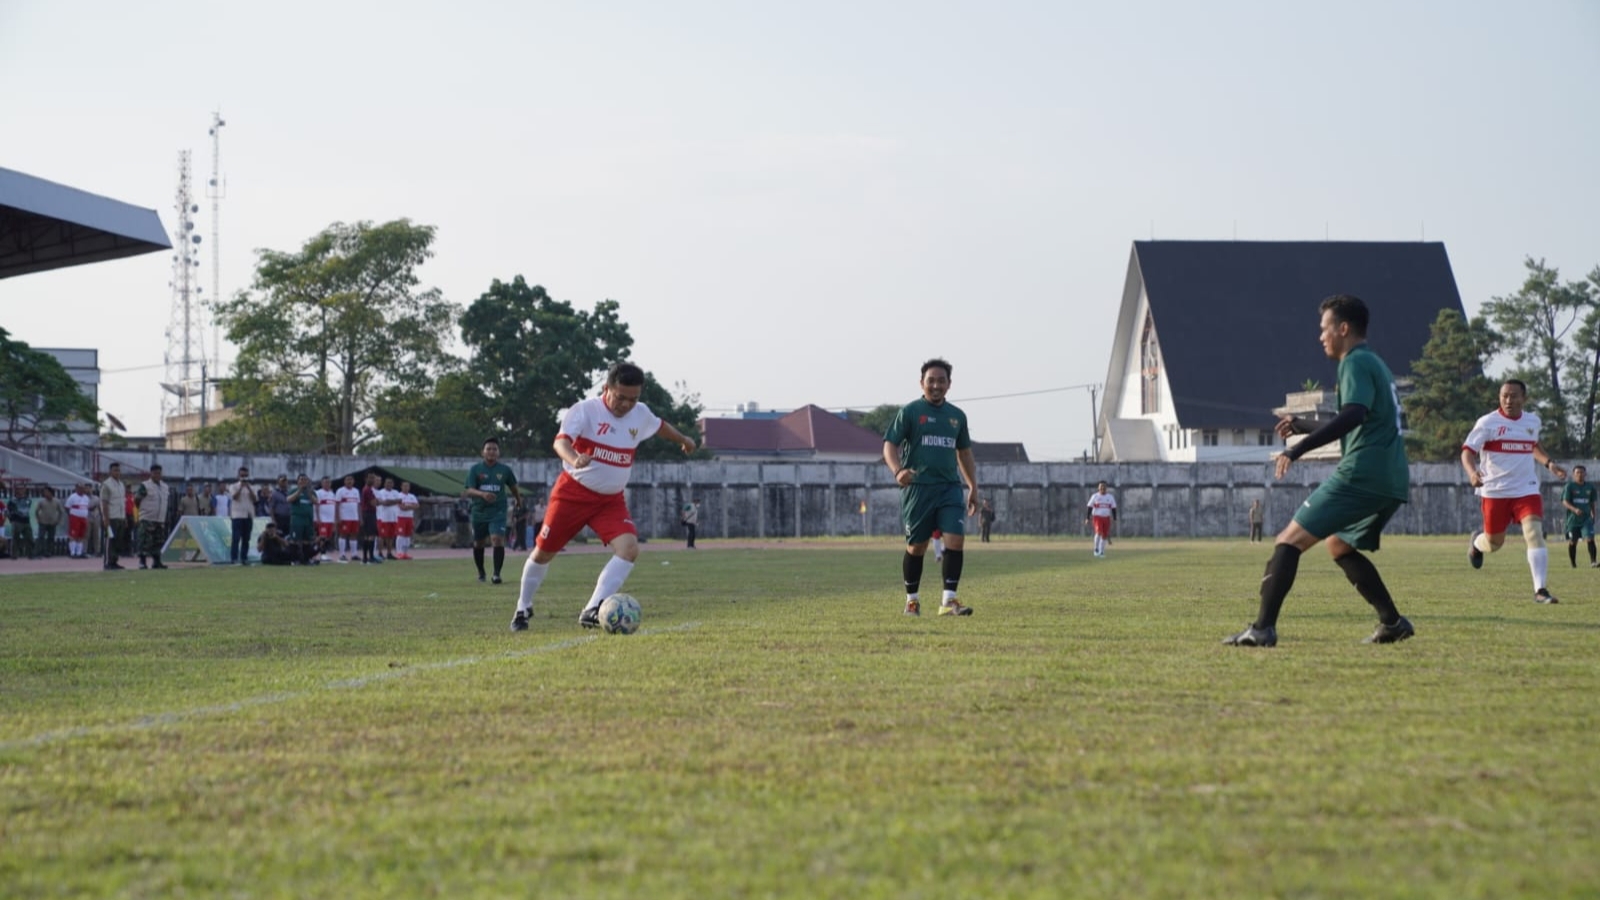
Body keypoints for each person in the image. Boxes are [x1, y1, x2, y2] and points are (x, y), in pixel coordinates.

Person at [1224, 294, 1415, 647]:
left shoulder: (1354, 362)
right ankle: (1392, 623)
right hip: (1390, 477)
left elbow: (1354, 416)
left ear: (1343, 328)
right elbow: (1359, 418)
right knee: (1339, 545)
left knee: (1288, 541)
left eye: (1325, 328)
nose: (1321, 336)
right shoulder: (1375, 363)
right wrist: (1304, 425)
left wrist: (1298, 449)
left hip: (1362, 473)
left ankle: (1262, 629)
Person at [510, 362, 697, 631]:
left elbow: (660, 426)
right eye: (621, 397)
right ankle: (522, 607)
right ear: (606, 388)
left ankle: (592, 608)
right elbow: (560, 442)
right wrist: (574, 458)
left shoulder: (640, 413)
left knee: (629, 549)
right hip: (572, 495)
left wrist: (684, 439)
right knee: (543, 553)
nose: (626, 405)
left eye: (633, 399)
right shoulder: (585, 411)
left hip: (610, 501)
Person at [882, 357, 979, 618]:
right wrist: (898, 471)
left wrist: (972, 486)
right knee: (917, 547)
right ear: (922, 383)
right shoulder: (911, 412)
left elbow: (965, 453)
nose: (936, 385)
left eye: (941, 381)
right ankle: (912, 601)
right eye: (931, 381)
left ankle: (949, 601)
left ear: (949, 385)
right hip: (918, 489)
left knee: (955, 540)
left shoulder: (957, 417)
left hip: (949, 488)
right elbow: (889, 445)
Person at [1463, 379, 1567, 604]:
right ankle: (1476, 544)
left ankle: (1540, 590)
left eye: (1514, 396)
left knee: (1533, 533)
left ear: (1524, 398)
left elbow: (1532, 445)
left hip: (1525, 489)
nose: (1508, 400)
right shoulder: (1488, 422)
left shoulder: (1532, 421)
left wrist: (1549, 463)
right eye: (1504, 396)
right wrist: (1472, 473)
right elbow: (1467, 452)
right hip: (1495, 491)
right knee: (1494, 543)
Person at [466, 438, 521, 584]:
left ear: (499, 452)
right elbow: (469, 490)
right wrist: (482, 494)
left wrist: (518, 500)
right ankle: (481, 572)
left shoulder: (505, 470)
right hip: (479, 511)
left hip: (498, 511)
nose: (491, 451)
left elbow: (513, 487)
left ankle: (496, 574)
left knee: (497, 539)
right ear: (483, 452)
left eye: (494, 449)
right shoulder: (475, 470)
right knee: (478, 543)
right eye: (488, 449)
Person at [134, 464, 172, 570]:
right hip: (147, 518)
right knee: (144, 541)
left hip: (159, 519)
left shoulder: (165, 486)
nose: (157, 475)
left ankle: (157, 561)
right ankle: (142, 562)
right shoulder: (145, 485)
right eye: (155, 473)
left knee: (158, 541)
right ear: (151, 473)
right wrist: (143, 511)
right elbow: (137, 500)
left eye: (159, 473)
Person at [1560, 465, 1597, 568]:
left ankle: (1593, 562)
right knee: (1573, 541)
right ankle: (1573, 564)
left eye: (1582, 472)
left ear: (1585, 474)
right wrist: (1574, 509)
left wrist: (1593, 514)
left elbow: (1592, 502)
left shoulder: (1590, 487)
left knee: (1590, 538)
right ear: (1574, 475)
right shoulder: (1569, 486)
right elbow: (1564, 501)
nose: (1580, 475)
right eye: (1577, 473)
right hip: (1573, 520)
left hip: (1586, 519)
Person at [99, 462, 128, 571]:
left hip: (120, 516)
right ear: (110, 472)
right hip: (111, 517)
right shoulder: (106, 485)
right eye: (115, 470)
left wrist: (124, 517)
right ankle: (107, 563)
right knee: (110, 541)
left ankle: (114, 561)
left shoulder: (121, 484)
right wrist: (106, 518)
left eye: (119, 470)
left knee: (118, 541)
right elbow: (104, 502)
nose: (117, 472)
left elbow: (122, 502)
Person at [287, 473, 319, 565]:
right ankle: (294, 559)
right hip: (297, 519)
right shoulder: (293, 490)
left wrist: (308, 492)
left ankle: (306, 559)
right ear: (298, 481)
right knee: (294, 540)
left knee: (307, 540)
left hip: (308, 519)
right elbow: (289, 499)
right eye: (301, 479)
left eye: (305, 480)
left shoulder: (311, 492)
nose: (303, 481)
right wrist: (299, 491)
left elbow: (316, 501)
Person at [225, 467, 256, 565]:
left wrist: (248, 488)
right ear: (238, 476)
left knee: (246, 539)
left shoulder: (252, 487)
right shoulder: (233, 486)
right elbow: (234, 497)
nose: (244, 478)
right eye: (242, 476)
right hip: (237, 515)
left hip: (248, 515)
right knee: (236, 538)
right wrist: (241, 487)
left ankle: (244, 558)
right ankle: (234, 558)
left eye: (246, 476)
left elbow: (255, 499)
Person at [1086, 481, 1117, 557]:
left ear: (1106, 488)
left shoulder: (1110, 497)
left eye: (1104, 487)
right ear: (1098, 488)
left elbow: (1113, 508)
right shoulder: (1095, 496)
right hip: (1097, 517)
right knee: (1098, 532)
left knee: (1104, 535)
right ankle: (1096, 549)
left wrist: (1115, 518)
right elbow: (1089, 507)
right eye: (1101, 487)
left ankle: (1101, 551)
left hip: (1106, 518)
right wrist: (1087, 518)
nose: (1102, 488)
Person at [334, 475, 362, 562]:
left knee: (354, 535)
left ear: (353, 481)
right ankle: (342, 554)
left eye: (351, 480)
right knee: (343, 534)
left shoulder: (356, 491)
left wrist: (360, 517)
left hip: (354, 517)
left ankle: (354, 554)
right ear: (344, 481)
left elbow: (358, 505)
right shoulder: (340, 491)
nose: (349, 481)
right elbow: (337, 505)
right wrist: (337, 517)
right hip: (344, 517)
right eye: (347, 480)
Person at [65, 483, 94, 559]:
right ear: (77, 488)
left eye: (83, 488)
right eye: (80, 488)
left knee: (81, 535)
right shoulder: (72, 497)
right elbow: (67, 507)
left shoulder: (86, 498)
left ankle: (79, 552)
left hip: (83, 518)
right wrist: (72, 515)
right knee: (73, 535)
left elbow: (86, 507)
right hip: (75, 517)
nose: (82, 489)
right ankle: (73, 552)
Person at [32, 486, 63, 558]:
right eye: (44, 492)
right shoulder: (42, 501)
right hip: (43, 522)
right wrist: (38, 519)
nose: (45, 493)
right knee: (41, 537)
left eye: (47, 492)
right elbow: (36, 511)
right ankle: (38, 551)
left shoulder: (57, 501)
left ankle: (49, 552)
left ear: (51, 493)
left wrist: (58, 520)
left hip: (52, 522)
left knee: (51, 538)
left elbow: (61, 511)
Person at [359, 473, 383, 565]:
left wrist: (377, 501)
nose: (372, 480)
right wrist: (378, 501)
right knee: (371, 536)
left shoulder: (366, 489)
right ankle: (370, 557)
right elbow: (374, 503)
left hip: (367, 514)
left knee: (367, 536)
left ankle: (365, 558)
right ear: (366, 479)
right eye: (370, 478)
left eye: (373, 478)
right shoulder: (368, 490)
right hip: (369, 514)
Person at [314, 475, 338, 562]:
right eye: (325, 482)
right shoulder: (318, 493)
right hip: (322, 519)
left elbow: (334, 507)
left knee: (328, 537)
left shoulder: (332, 494)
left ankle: (324, 553)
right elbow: (317, 506)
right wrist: (318, 518)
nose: (327, 484)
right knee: (322, 537)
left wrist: (335, 520)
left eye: (329, 482)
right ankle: (321, 553)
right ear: (322, 483)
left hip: (330, 520)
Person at [376, 476, 400, 561]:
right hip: (383, 517)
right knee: (382, 536)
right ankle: (380, 553)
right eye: (387, 483)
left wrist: (391, 501)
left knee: (391, 536)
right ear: (384, 483)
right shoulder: (380, 492)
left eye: (391, 483)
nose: (389, 484)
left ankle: (389, 553)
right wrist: (395, 501)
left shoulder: (396, 492)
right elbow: (385, 503)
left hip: (393, 518)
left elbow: (400, 501)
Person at [396, 481, 419, 559]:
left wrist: (408, 507)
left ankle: (405, 553)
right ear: (401, 487)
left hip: (409, 518)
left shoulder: (412, 496)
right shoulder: (398, 495)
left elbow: (417, 506)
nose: (406, 488)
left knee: (407, 536)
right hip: (401, 517)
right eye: (404, 486)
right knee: (400, 535)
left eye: (407, 486)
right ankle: (399, 552)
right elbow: (402, 507)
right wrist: (411, 506)